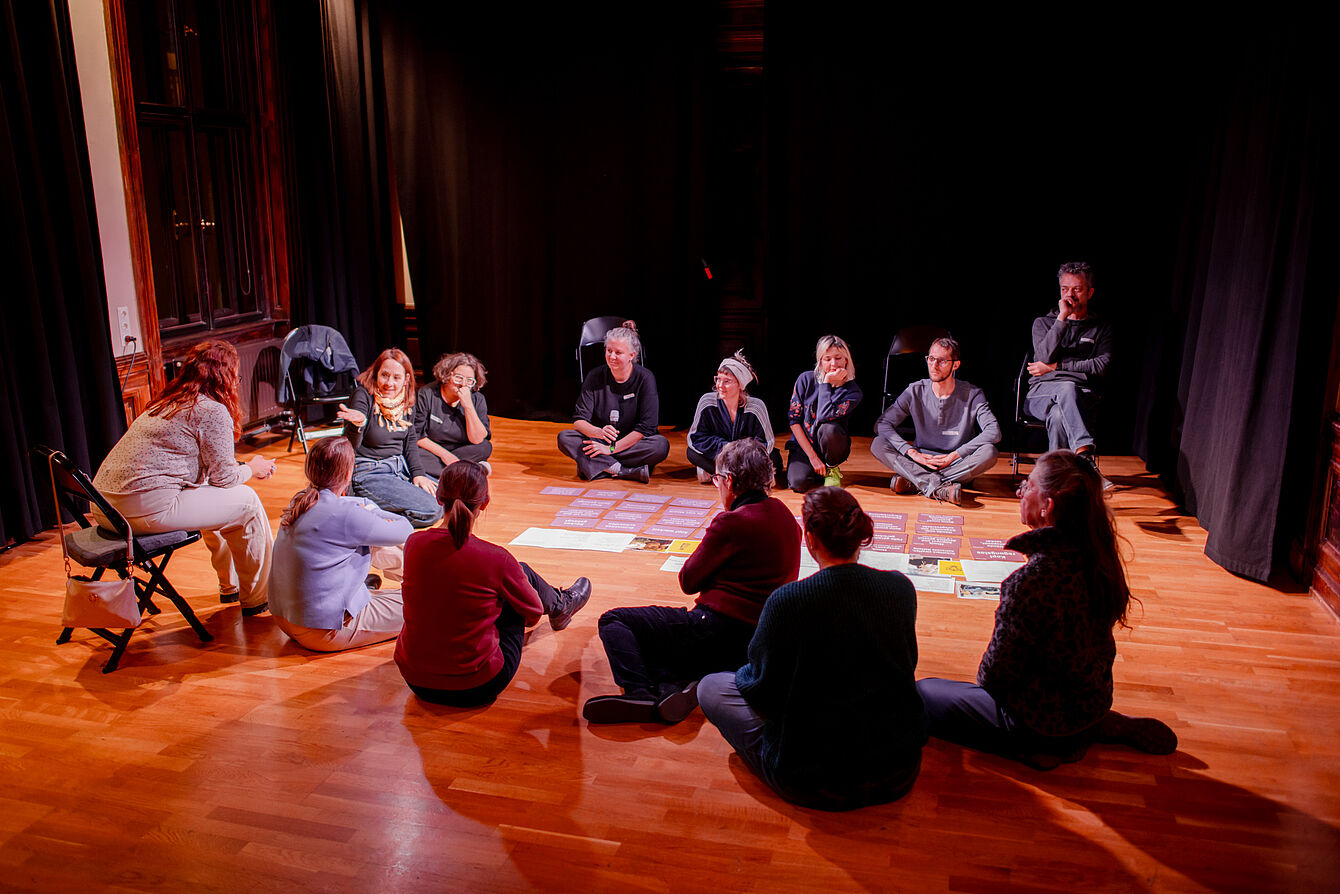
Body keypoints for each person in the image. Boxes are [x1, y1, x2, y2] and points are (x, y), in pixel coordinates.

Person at [916, 450, 1178, 770]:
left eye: (1027, 486)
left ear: (1048, 505)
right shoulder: (1100, 557)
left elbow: (992, 677)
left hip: (1037, 721)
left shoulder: (1029, 582)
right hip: (1090, 701)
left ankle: (1039, 746)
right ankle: (1091, 726)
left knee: (925, 692)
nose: (1019, 492)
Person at [698, 486, 926, 811]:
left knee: (712, 687)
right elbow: (906, 666)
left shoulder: (788, 600)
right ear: (860, 533)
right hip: (898, 770)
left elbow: (761, 688)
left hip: (812, 781)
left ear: (810, 539)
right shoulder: (900, 588)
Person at [583, 439, 801, 724]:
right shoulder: (786, 516)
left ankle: (640, 692)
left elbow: (688, 580)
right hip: (755, 643)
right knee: (666, 644)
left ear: (730, 481)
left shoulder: (732, 522)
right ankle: (674, 685)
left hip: (715, 628)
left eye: (717, 480)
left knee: (615, 622)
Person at [92, 340, 274, 616]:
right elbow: (225, 478)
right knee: (246, 501)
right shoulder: (211, 410)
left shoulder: (167, 402)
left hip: (103, 507)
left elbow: (212, 476)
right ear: (224, 377)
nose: (236, 382)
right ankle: (259, 597)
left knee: (209, 492)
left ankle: (231, 587)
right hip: (139, 509)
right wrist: (253, 467)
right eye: (235, 375)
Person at [395, 461, 592, 707]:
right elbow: (531, 615)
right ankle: (561, 606)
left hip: (415, 680)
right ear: (485, 501)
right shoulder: (496, 558)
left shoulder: (413, 545)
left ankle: (560, 604)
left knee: (499, 580)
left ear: (437, 497)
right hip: (477, 685)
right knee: (520, 575)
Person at [269, 437, 413, 651]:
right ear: (348, 474)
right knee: (427, 605)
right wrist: (374, 510)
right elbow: (406, 530)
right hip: (322, 631)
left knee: (374, 544)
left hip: (285, 621)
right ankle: (427, 586)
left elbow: (345, 507)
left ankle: (365, 591)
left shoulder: (300, 500)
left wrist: (366, 506)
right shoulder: (347, 516)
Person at [871, 336, 1001, 506]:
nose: (934, 365)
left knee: (989, 452)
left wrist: (954, 455)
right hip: (922, 461)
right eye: (931, 359)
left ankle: (917, 482)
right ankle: (939, 487)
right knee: (878, 444)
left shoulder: (972, 394)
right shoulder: (915, 390)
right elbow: (881, 424)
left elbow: (994, 432)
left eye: (941, 361)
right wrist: (912, 453)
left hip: (957, 464)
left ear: (955, 365)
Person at [336, 348, 443, 528]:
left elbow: (409, 441)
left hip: (399, 468)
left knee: (447, 500)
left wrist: (418, 474)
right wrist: (358, 425)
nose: (389, 383)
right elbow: (349, 446)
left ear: (406, 379)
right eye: (384, 375)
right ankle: (368, 520)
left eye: (396, 377)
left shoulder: (406, 400)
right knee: (431, 511)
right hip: (370, 472)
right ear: (376, 374)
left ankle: (374, 508)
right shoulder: (363, 396)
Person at [1024, 262, 1112, 478]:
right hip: (1041, 394)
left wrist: (1056, 367)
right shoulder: (1043, 323)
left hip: (1083, 396)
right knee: (1065, 388)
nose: (1069, 295)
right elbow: (1043, 356)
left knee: (1058, 414)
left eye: (1077, 289)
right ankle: (1084, 458)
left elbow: (1101, 366)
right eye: (1064, 289)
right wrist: (1062, 318)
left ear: (1089, 292)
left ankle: (1055, 479)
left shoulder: (1100, 328)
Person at [556, 321, 670, 482]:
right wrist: (598, 433)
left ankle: (598, 465)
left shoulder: (645, 378)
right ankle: (622, 470)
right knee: (565, 438)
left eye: (618, 352)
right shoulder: (595, 376)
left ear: (631, 355)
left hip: (631, 442)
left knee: (660, 445)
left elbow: (647, 428)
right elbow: (579, 421)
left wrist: (611, 449)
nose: (612, 357)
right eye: (609, 351)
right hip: (601, 440)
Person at [686, 350, 780, 484]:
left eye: (727, 381)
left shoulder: (756, 407)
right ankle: (741, 478)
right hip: (718, 455)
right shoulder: (707, 401)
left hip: (746, 458)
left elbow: (766, 442)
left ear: (740, 385)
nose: (720, 385)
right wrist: (727, 447)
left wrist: (739, 452)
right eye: (718, 379)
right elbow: (695, 438)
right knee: (692, 453)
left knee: (773, 458)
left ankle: (722, 476)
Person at [785, 334, 862, 493]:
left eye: (838, 358)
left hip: (832, 446)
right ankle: (816, 469)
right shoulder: (805, 379)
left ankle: (831, 468)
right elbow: (794, 422)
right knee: (798, 484)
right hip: (804, 447)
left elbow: (823, 416)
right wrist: (812, 457)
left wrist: (826, 383)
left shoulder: (853, 392)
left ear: (846, 359)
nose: (833, 364)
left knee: (828, 427)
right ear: (820, 361)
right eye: (827, 359)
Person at [412, 352, 493, 479]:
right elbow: (417, 435)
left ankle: (452, 470)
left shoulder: (477, 399)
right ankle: (469, 470)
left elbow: (477, 439)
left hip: (461, 449)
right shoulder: (426, 394)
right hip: (432, 450)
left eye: (469, 380)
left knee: (485, 447)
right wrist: (444, 455)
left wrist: (468, 406)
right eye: (458, 378)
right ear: (446, 376)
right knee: (410, 452)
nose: (463, 384)